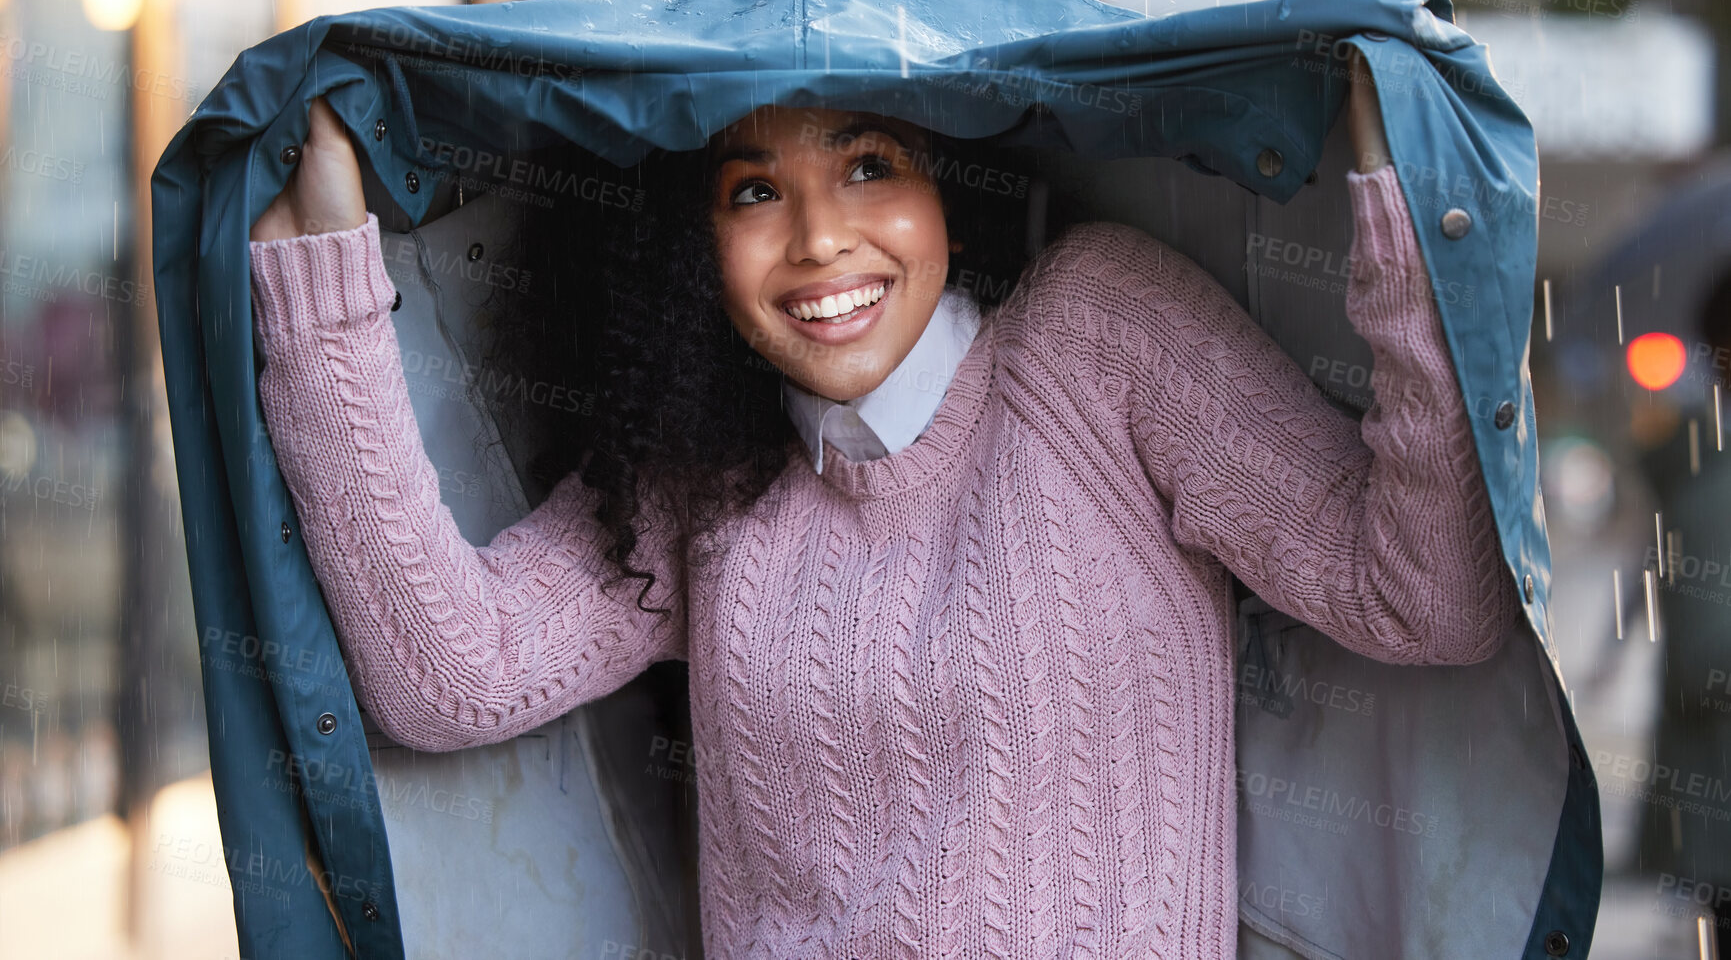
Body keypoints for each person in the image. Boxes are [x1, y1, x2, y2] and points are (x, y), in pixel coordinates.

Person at [246, 49, 1520, 958]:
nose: (817, 239)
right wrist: (320, 281)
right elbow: (449, 675)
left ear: (948, 193)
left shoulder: (1098, 334)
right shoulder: (708, 472)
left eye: (868, 167)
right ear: (696, 245)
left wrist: (1410, 220)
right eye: (754, 191)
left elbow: (1433, 599)